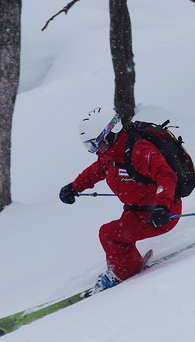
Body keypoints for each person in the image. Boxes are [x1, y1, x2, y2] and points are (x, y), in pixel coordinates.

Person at [59, 106, 182, 292]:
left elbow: (166, 176)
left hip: (160, 214)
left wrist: (162, 208)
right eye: (88, 147)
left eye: (94, 144)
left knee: (109, 234)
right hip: (136, 211)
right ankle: (119, 267)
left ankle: (123, 272)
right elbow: (96, 171)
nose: (94, 151)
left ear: (110, 133)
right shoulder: (110, 153)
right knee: (116, 236)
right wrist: (74, 187)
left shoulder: (139, 151)